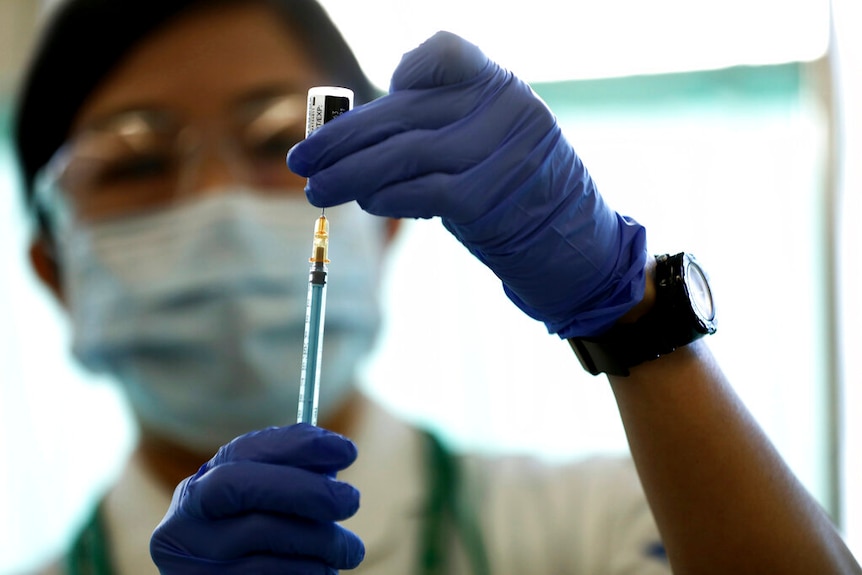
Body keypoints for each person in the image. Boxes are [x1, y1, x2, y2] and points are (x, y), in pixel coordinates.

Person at [10, 0, 860, 574]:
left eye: (277, 141)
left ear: (383, 216)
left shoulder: (593, 524)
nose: (217, 204)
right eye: (137, 161)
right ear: (53, 267)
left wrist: (630, 314)